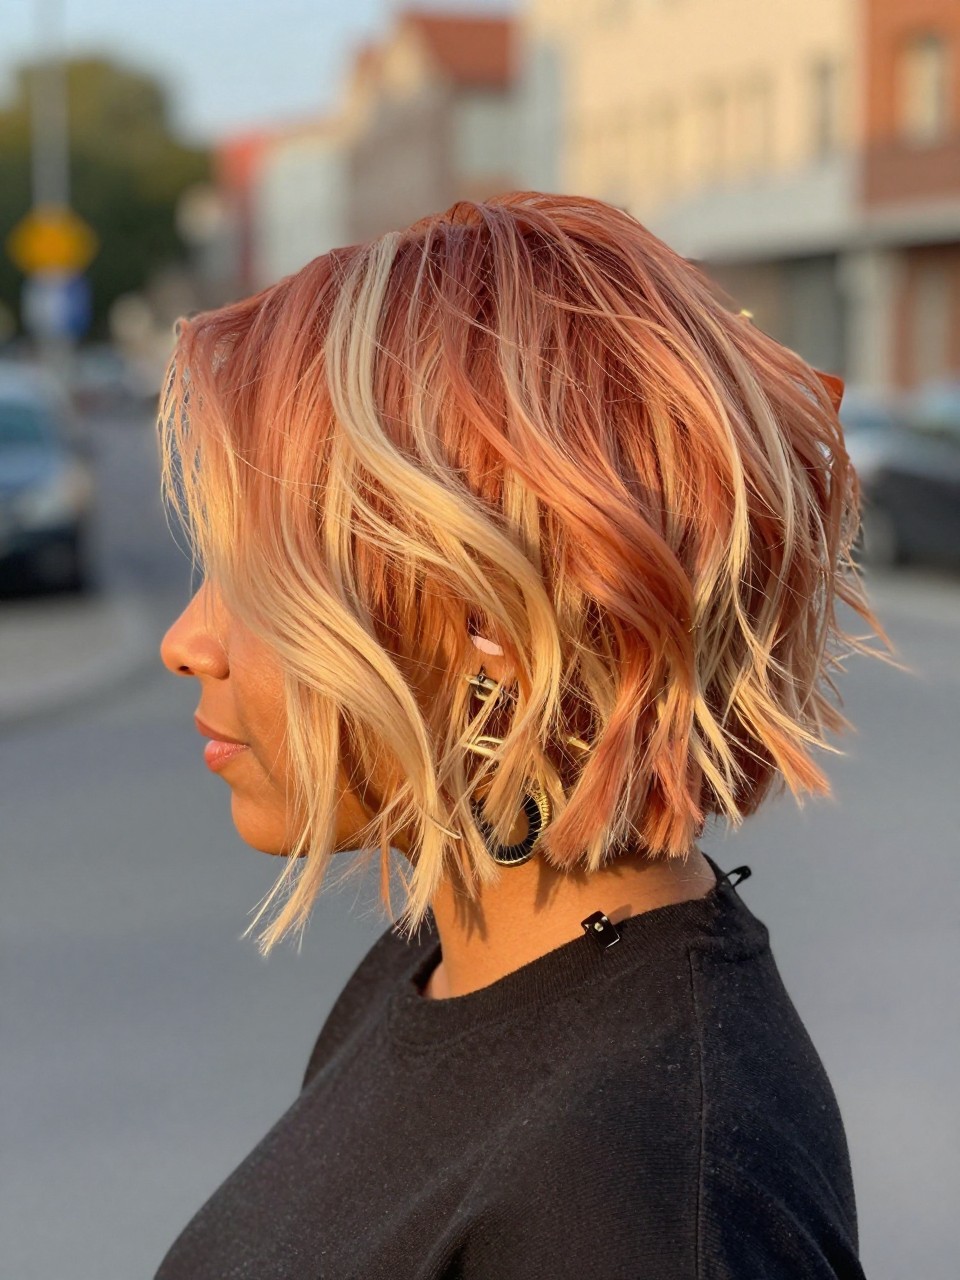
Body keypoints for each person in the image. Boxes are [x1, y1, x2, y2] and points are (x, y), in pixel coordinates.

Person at [154, 192, 893, 1278]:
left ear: (491, 622)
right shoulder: (442, 961)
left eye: (260, 580)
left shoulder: (630, 1193)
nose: (186, 640)